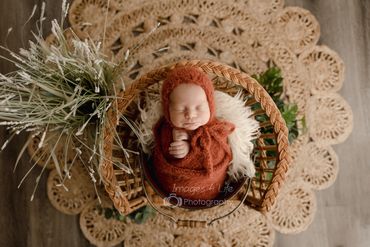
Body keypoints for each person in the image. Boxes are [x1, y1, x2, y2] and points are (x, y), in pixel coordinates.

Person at [152, 66, 235, 201]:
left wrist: (191, 150)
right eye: (180, 109)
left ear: (210, 105)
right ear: (167, 110)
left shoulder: (215, 129)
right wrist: (180, 151)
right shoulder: (166, 130)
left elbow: (219, 152)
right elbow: (162, 154)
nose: (190, 115)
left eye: (199, 107)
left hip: (212, 187)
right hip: (173, 190)